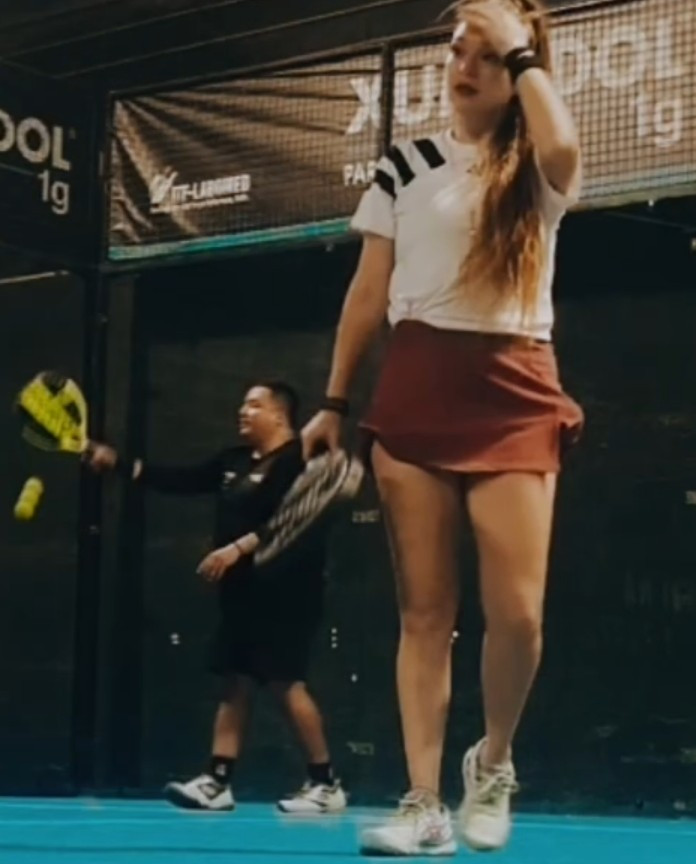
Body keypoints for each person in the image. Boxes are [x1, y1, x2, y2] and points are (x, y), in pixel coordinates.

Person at [301, 0, 583, 855]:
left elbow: (565, 149)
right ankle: (423, 804)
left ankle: (491, 763)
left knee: (519, 616)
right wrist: (334, 402)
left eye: (486, 56)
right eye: (458, 50)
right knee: (425, 613)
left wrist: (521, 51)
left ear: (520, 69)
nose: (465, 67)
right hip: (416, 389)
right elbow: (366, 292)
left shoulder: (539, 167)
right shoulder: (403, 165)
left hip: (516, 388)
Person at [86, 381, 346, 815]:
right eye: (242, 403)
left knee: (284, 682)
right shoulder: (233, 461)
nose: (243, 411)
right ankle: (217, 781)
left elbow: (292, 522)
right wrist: (117, 464)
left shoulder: (300, 461)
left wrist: (236, 549)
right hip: (240, 594)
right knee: (234, 681)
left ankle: (325, 784)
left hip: (288, 593)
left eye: (255, 405)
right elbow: (180, 479)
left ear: (280, 415)